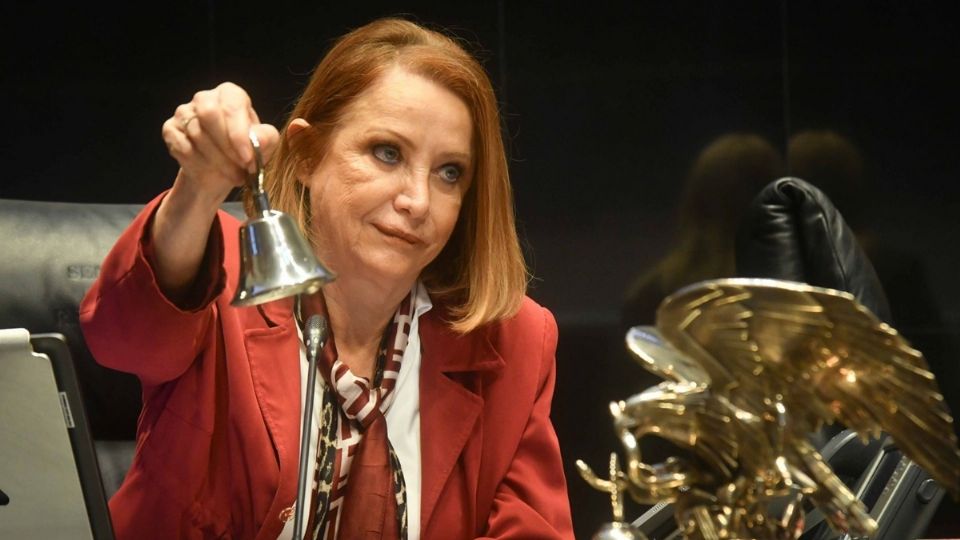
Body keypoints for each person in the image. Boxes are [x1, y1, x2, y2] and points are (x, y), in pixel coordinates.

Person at [80, 18, 573, 540]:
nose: (418, 201)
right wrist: (197, 189)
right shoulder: (217, 272)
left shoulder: (514, 341)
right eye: (387, 153)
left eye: (449, 172)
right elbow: (121, 339)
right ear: (306, 155)